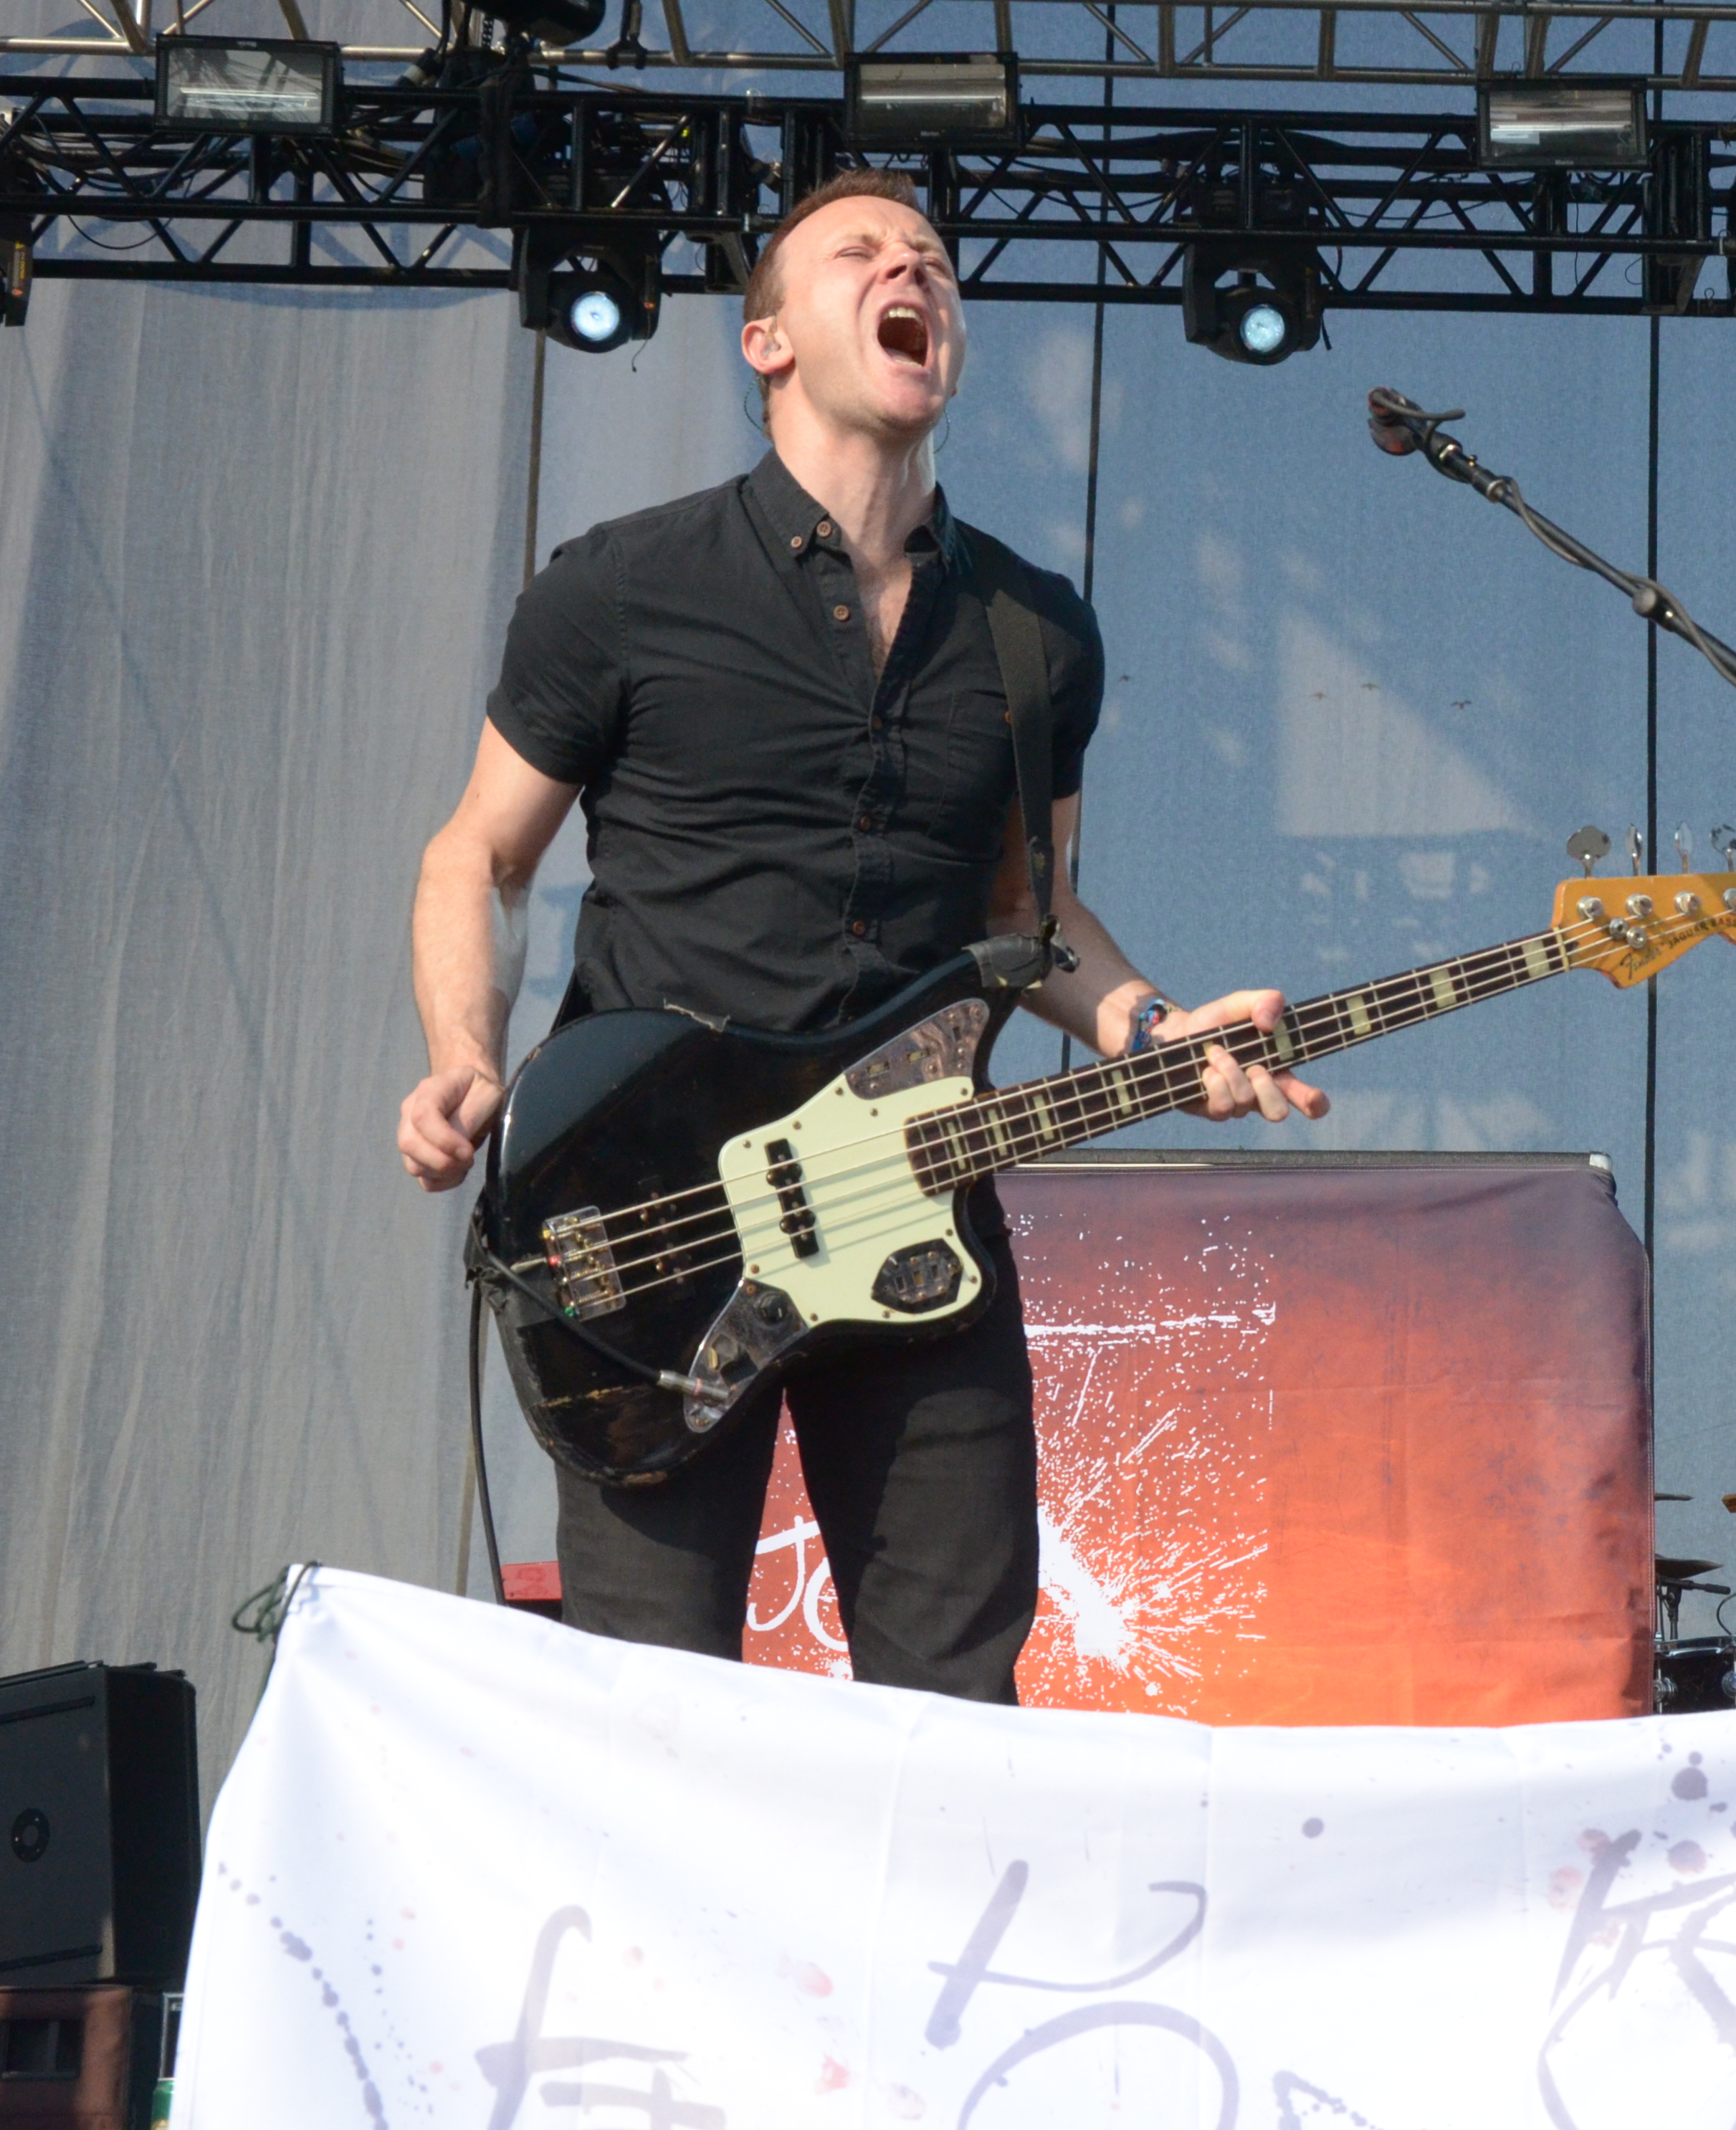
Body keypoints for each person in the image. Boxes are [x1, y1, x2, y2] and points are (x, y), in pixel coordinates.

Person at [394, 167, 1322, 1701]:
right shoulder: (623, 588)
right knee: (655, 1697)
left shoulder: (1034, 632)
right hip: (650, 1215)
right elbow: (475, 856)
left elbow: (1028, 918)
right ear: (768, 341)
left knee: (956, 1694)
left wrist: (1161, 1031)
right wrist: (462, 1056)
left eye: (936, 262)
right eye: (864, 254)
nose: (915, 273)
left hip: (915, 1212)